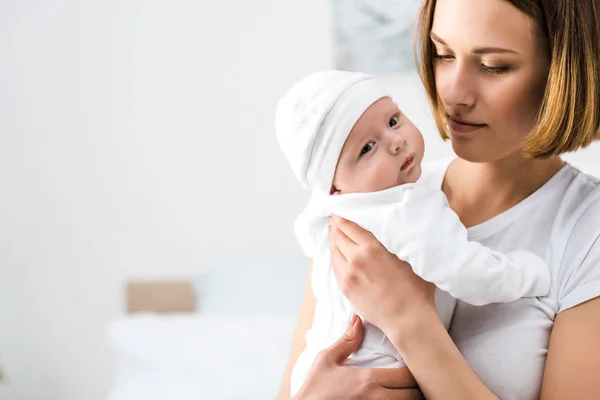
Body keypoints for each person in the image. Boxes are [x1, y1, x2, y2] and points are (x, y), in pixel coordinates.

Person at [277, 0, 600, 399]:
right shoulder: (364, 198)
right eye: (442, 54)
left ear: (563, 74)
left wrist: (409, 321)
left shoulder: (588, 233)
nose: (454, 93)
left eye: (494, 65)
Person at [275, 69, 551, 397]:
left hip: (314, 376)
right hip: (375, 374)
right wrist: (527, 273)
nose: (395, 142)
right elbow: (468, 273)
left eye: (392, 120)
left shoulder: (329, 217)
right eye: (367, 148)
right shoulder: (405, 207)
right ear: (334, 185)